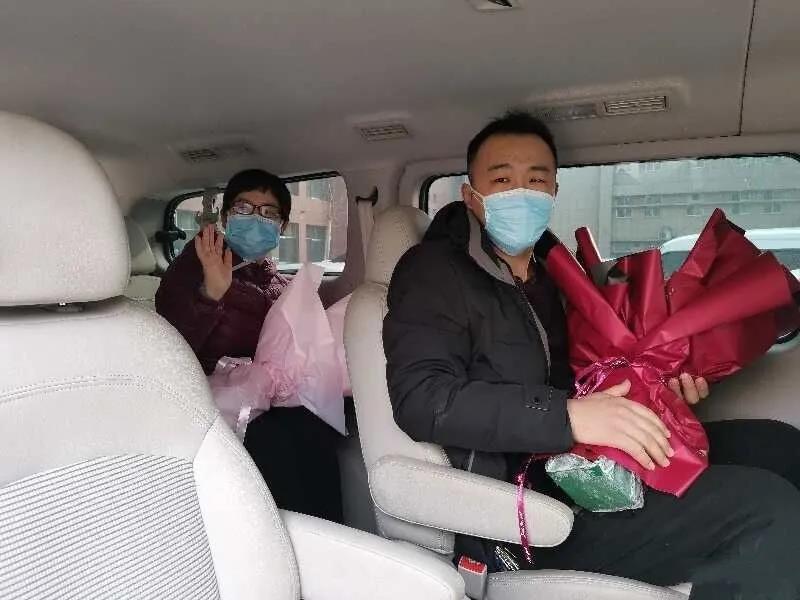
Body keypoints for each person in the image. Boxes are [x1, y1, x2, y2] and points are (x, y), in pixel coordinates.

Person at [383, 111, 800, 599]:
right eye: (502, 180)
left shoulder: (550, 275)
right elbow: (423, 399)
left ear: (553, 191)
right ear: (471, 195)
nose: (521, 193)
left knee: (777, 447)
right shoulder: (435, 272)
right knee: (766, 511)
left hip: (584, 463)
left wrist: (657, 389)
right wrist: (569, 418)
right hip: (529, 509)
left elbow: (585, 370)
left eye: (536, 180)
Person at [157, 169, 343, 523]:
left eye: (268, 213)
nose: (256, 219)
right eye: (244, 208)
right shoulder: (195, 267)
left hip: (267, 397)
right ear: (227, 217)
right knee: (274, 440)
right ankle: (279, 537)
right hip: (211, 399)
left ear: (282, 226)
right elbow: (171, 348)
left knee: (317, 427)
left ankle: (327, 534)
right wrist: (210, 295)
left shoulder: (275, 281)